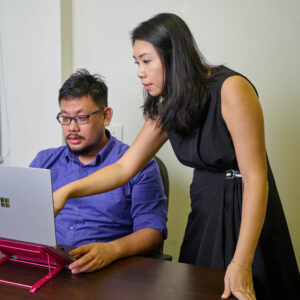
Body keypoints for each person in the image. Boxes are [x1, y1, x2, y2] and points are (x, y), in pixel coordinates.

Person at [53, 13, 299, 299]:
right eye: (137, 63)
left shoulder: (232, 89)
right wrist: (67, 191)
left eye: (146, 61)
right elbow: (123, 168)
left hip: (246, 217)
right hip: (204, 213)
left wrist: (242, 262)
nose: (139, 72)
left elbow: (256, 179)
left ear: (173, 56)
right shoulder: (167, 107)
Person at [30, 69, 167, 274]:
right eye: (65, 118)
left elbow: (152, 231)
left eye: (81, 118)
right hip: (47, 266)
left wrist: (112, 250)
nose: (71, 128)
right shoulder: (45, 160)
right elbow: (22, 217)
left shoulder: (139, 164)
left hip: (108, 270)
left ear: (106, 116)